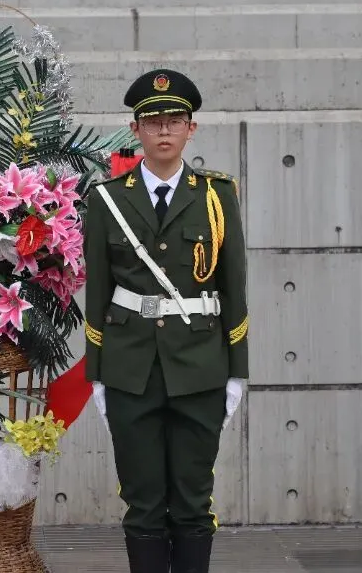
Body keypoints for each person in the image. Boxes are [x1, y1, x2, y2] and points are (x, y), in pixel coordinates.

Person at [83, 68, 249, 573]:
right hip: (130, 369)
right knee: (143, 503)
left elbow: (233, 287)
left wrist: (237, 371)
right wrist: (97, 373)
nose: (163, 130)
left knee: (193, 501)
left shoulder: (217, 195)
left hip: (199, 367)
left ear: (190, 129)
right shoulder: (107, 199)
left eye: (174, 120)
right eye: (152, 121)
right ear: (135, 130)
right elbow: (98, 292)